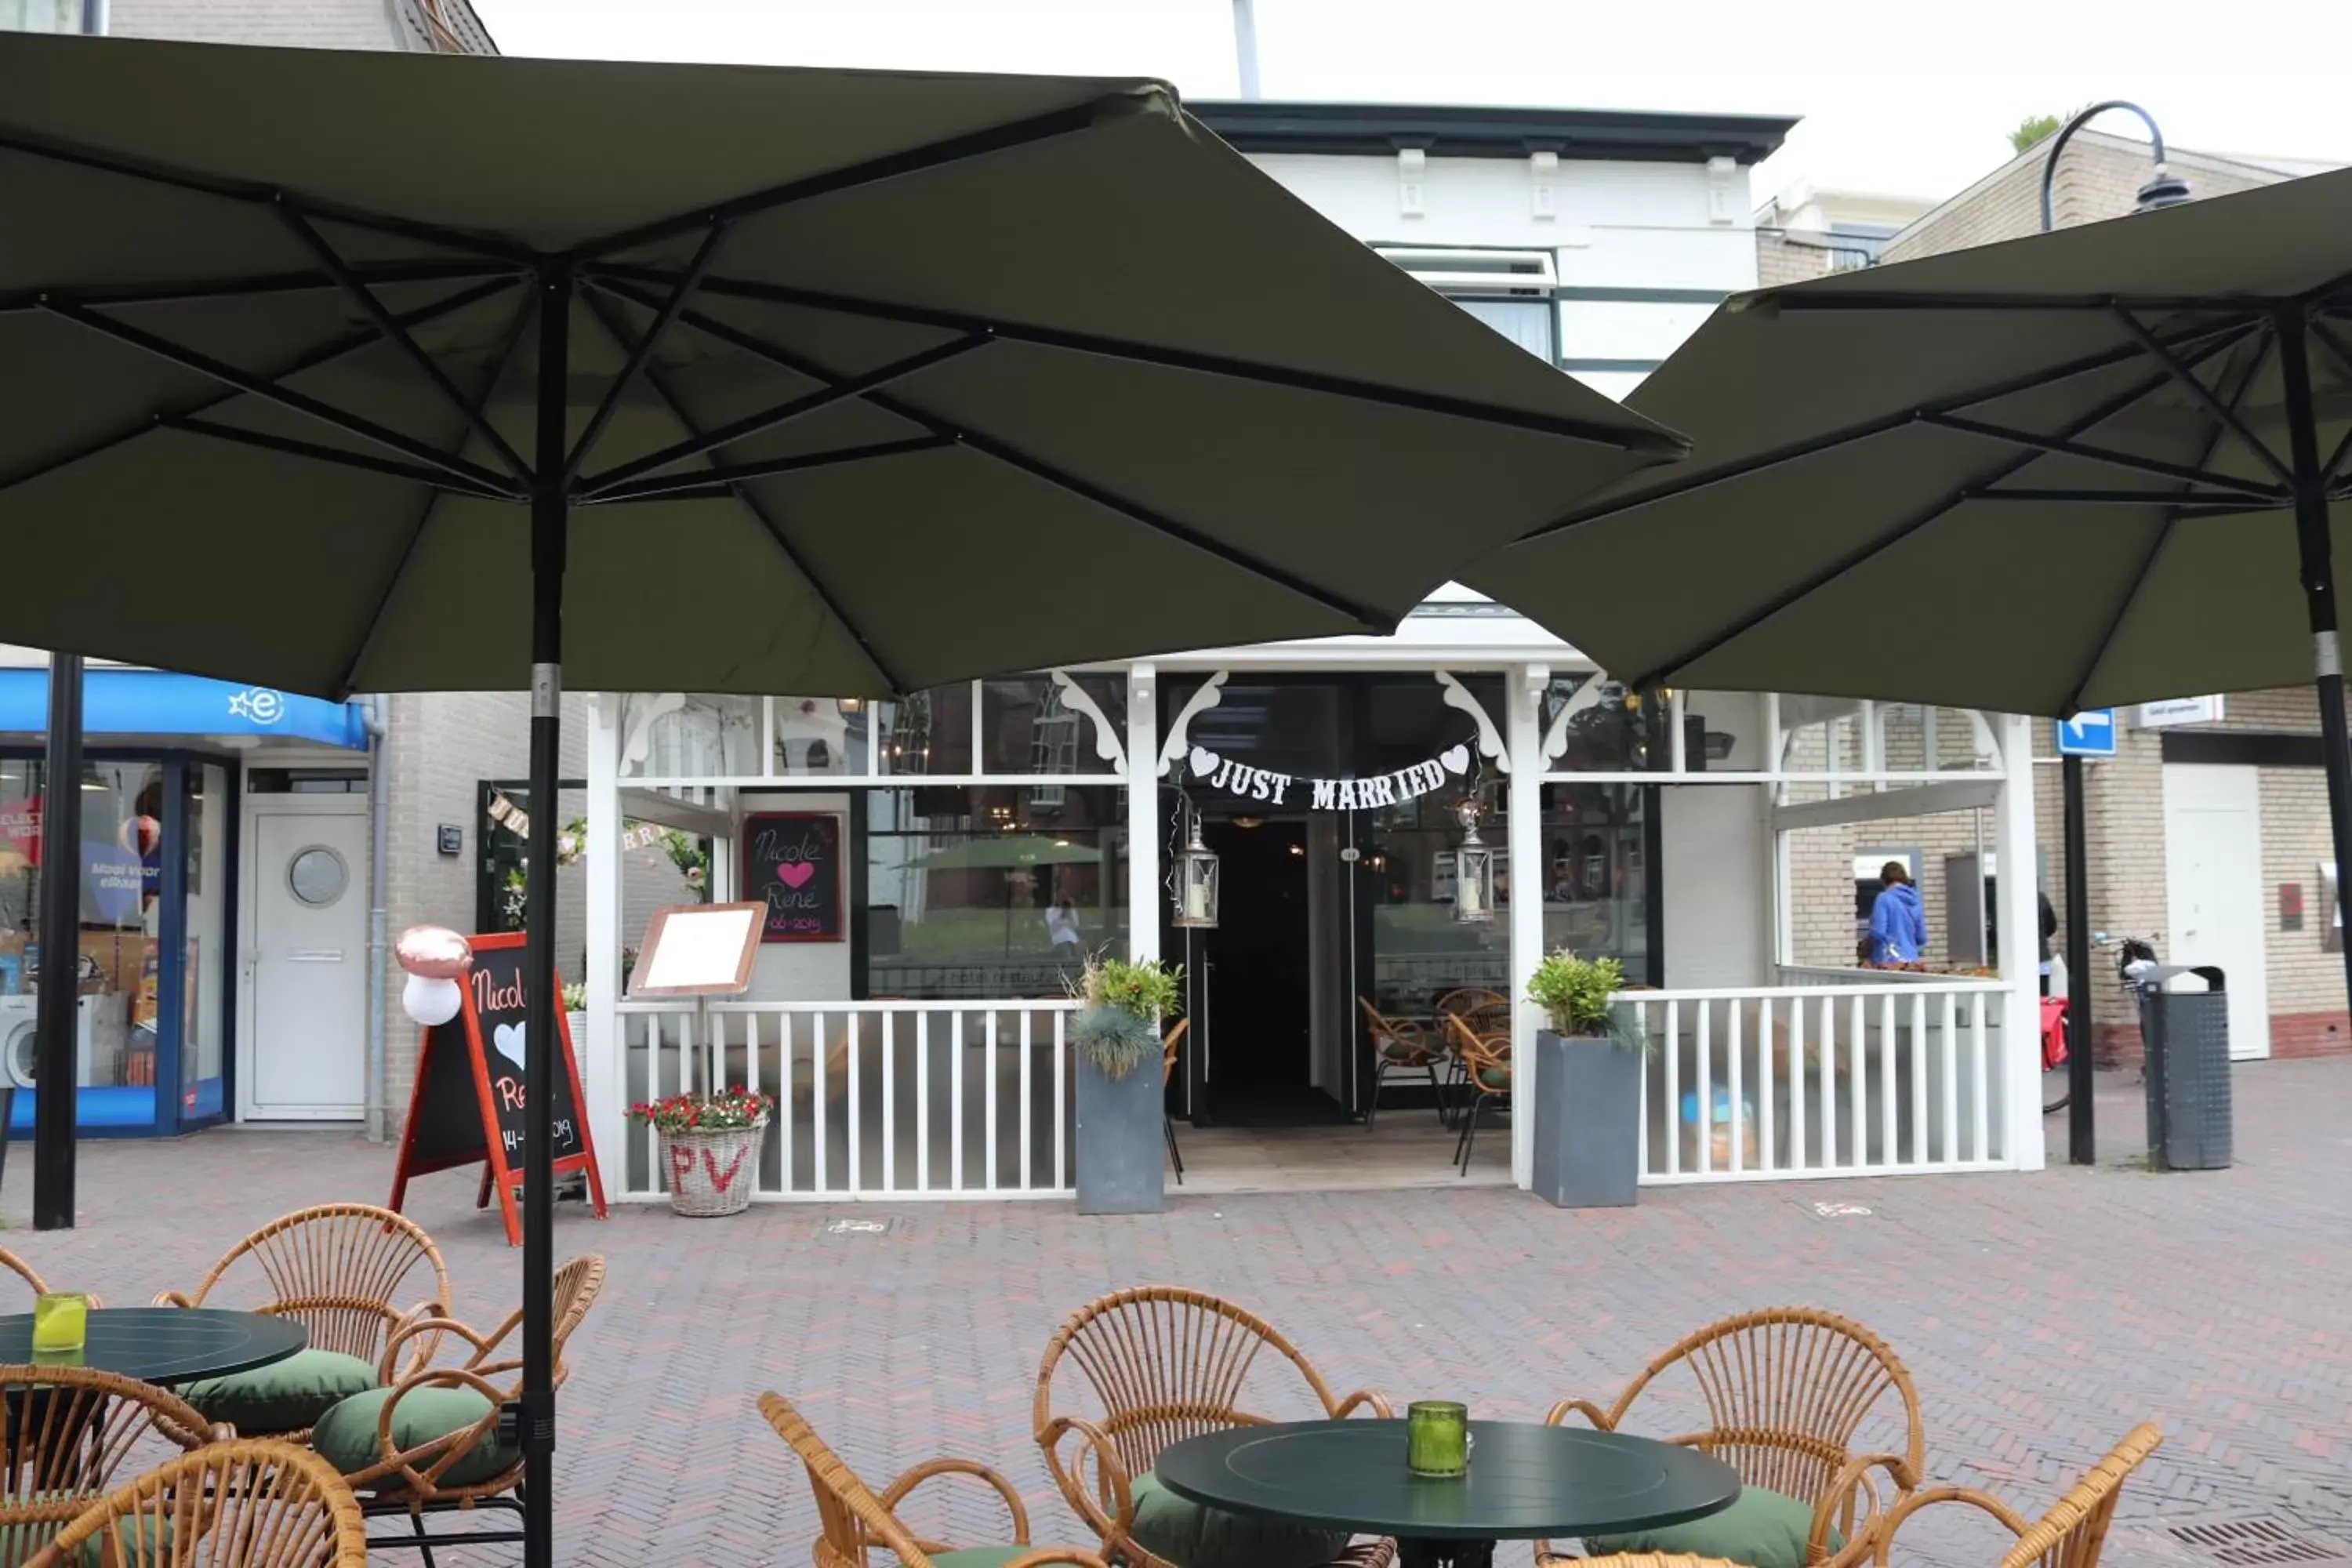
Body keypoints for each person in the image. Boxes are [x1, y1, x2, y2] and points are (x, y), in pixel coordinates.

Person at [1867, 860, 1927, 967]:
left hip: (1889, 960)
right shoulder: (1915, 900)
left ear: (1884, 880)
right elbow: (1921, 938)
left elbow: (1878, 933)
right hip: (1911, 961)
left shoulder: (1884, 898)